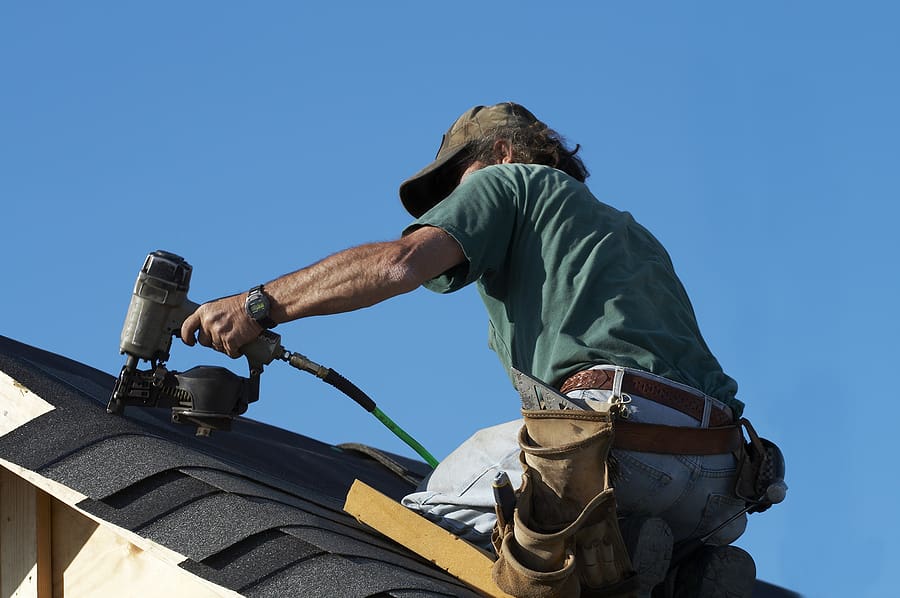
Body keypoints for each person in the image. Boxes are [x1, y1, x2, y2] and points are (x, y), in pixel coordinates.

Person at [180, 102, 758, 597]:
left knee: (421, 518)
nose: (454, 198)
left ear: (504, 152)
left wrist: (256, 306)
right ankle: (666, 565)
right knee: (623, 564)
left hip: (614, 443)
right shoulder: (628, 234)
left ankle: (583, 539)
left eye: (459, 178)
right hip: (721, 480)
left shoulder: (510, 181)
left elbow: (397, 264)